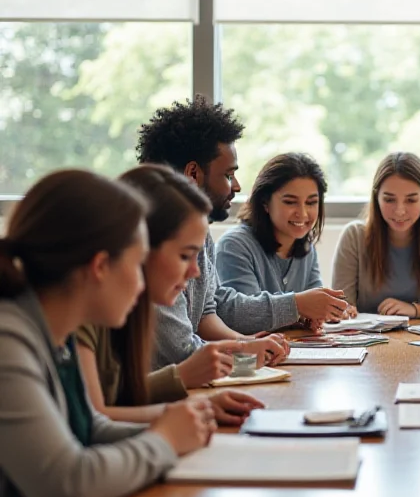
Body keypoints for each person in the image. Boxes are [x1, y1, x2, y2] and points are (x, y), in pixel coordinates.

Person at [0, 170, 213, 497]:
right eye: (136, 263)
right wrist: (164, 441)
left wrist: (181, 431)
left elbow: (90, 428)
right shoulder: (9, 341)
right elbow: (67, 484)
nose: (140, 281)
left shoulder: (55, 331)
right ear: (100, 266)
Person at [136, 96, 347, 367]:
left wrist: (249, 345)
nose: (236, 186)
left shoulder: (201, 234)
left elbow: (208, 312)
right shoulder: (153, 240)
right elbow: (180, 349)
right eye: (228, 174)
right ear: (193, 173)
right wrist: (245, 351)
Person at [77, 165, 272, 425]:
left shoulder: (129, 310)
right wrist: (182, 391)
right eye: (184, 256)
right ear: (141, 249)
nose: (194, 273)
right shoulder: (83, 313)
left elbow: (116, 396)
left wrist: (197, 405)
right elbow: (93, 419)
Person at [216, 153, 354, 331]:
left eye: (311, 202)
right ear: (265, 203)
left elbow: (314, 308)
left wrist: (326, 312)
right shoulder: (234, 246)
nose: (303, 214)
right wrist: (298, 306)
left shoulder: (306, 248)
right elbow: (240, 318)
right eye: (290, 202)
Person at [332, 152, 420, 317]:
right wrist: (344, 311)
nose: (400, 211)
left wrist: (414, 310)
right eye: (389, 200)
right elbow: (341, 307)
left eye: (411, 200)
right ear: (376, 197)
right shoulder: (354, 237)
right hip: (367, 338)